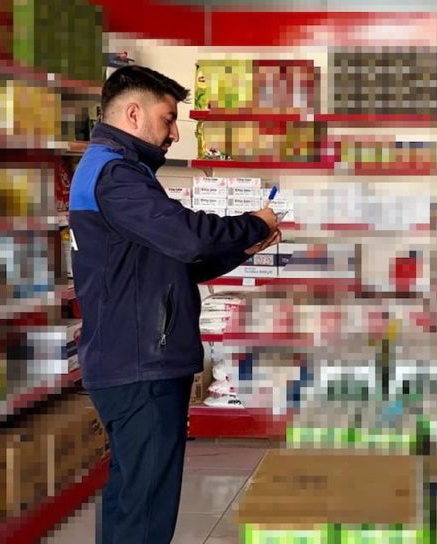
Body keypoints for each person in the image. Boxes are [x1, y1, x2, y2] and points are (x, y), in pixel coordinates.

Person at [69, 65, 280, 544]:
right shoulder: (116, 175)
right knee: (144, 509)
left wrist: (241, 248)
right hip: (139, 362)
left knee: (135, 497)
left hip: (134, 357)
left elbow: (174, 262)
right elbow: (189, 237)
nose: (175, 133)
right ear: (133, 113)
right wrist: (254, 222)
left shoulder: (116, 171)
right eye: (168, 119)